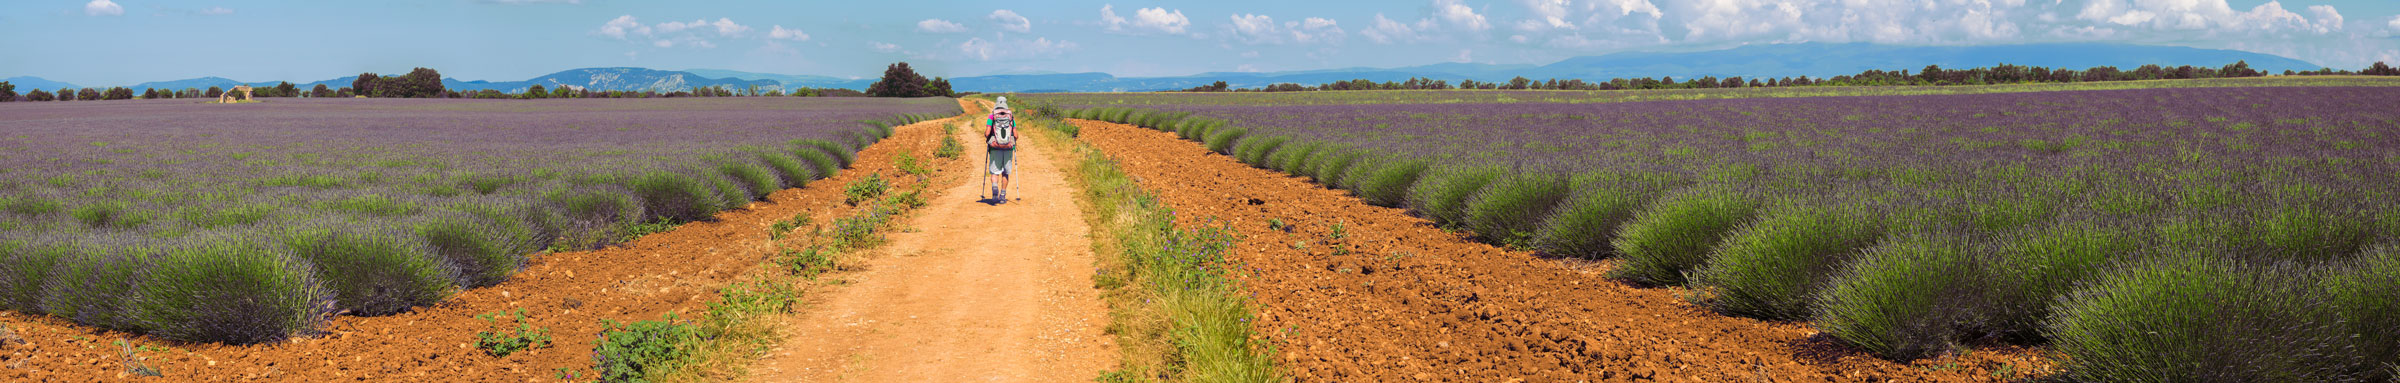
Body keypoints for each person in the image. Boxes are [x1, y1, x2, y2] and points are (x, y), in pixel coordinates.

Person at [985, 97, 1018, 201]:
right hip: (1008, 148)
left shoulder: (991, 116)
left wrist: (989, 139)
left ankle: (995, 187)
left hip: (995, 147)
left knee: (995, 172)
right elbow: (1016, 135)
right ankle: (1003, 195)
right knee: (1005, 173)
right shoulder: (1011, 117)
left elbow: (987, 133)